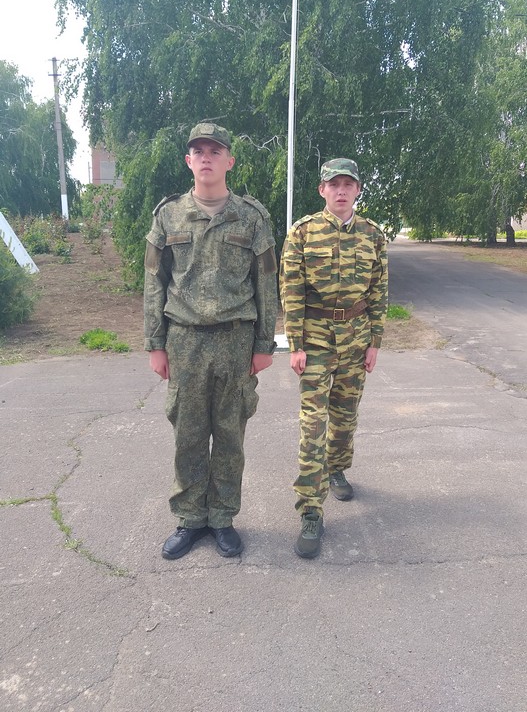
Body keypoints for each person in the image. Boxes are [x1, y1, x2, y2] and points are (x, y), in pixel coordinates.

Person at [144, 121, 278, 560]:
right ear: (188, 161)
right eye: (198, 151)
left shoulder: (252, 217)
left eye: (214, 151)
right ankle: (190, 518)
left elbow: (266, 285)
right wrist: (155, 343)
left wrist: (264, 345)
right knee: (188, 434)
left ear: (229, 161)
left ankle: (222, 517)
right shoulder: (167, 216)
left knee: (230, 436)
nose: (206, 157)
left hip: (236, 341)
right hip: (184, 341)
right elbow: (153, 282)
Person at [280, 157, 388, 559]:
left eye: (348, 184)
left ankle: (336, 467)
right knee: (314, 422)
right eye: (334, 184)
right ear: (322, 190)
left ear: (357, 189)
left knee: (345, 415)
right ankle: (310, 509)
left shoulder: (373, 235)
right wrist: (295, 344)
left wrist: (375, 341)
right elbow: (291, 289)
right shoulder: (303, 232)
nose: (341, 191)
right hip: (315, 336)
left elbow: (379, 290)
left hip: (356, 337)